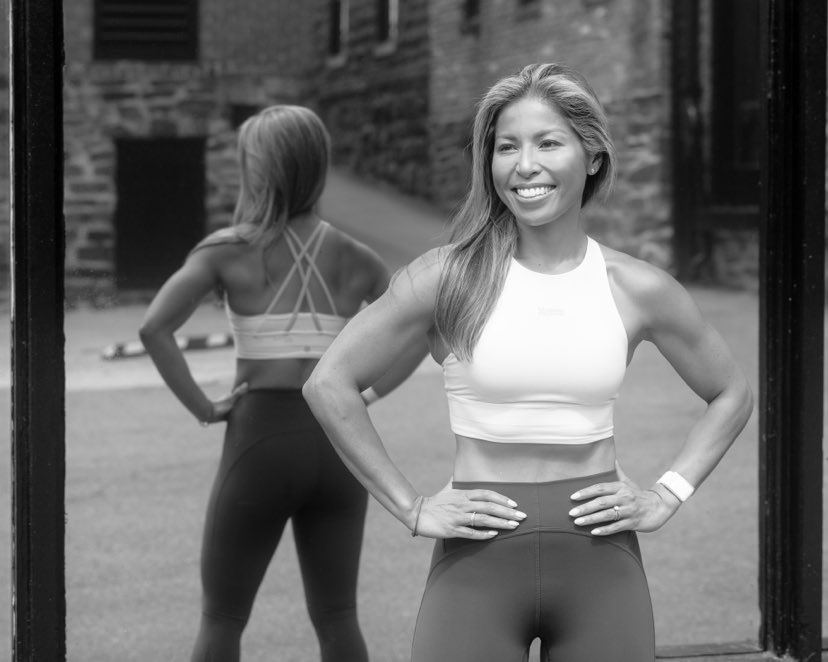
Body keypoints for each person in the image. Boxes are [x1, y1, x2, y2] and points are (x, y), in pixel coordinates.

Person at [302, 63, 754, 661]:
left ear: (592, 156)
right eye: (506, 147)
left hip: (601, 564)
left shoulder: (636, 287)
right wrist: (412, 507)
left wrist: (667, 494)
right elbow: (328, 383)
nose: (524, 165)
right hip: (476, 564)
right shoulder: (448, 277)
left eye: (548, 143)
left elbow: (731, 392)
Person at [139, 105, 425, 662]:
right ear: (318, 167)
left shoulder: (227, 249)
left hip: (259, 439)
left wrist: (205, 406)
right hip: (339, 442)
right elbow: (419, 329)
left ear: (258, 170)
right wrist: (367, 395)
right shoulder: (356, 255)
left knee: (222, 619)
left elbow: (155, 328)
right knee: (338, 618)